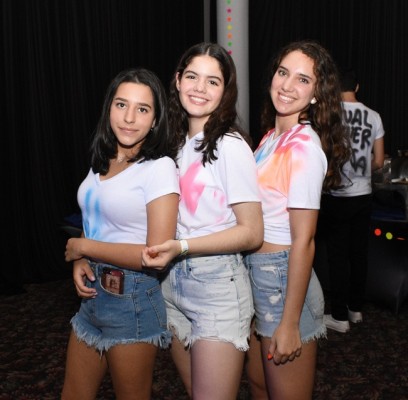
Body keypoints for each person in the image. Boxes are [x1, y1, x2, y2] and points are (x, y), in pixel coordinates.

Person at [141, 42, 264, 400]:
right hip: (171, 283)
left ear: (225, 92)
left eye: (213, 81)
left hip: (217, 288)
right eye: (192, 76)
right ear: (177, 81)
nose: (199, 88)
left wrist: (182, 245)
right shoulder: (172, 143)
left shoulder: (230, 146)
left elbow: (251, 232)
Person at [61, 67, 180, 400]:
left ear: (155, 119)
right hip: (93, 296)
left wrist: (86, 246)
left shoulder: (159, 168)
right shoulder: (104, 158)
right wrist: (82, 257)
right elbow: (96, 214)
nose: (129, 118)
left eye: (142, 109)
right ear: (108, 108)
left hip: (133, 300)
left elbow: (156, 255)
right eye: (121, 104)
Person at [244, 39, 352, 399]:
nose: (288, 86)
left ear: (318, 93)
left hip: (283, 282)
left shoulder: (304, 147)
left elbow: (304, 239)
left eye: (303, 80)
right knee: (259, 385)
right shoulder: (272, 137)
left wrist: (289, 323)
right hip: (260, 278)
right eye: (283, 72)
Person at [321, 68, 385, 333]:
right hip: (364, 194)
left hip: (337, 196)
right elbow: (379, 162)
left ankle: (339, 316)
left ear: (336, 88)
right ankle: (355, 310)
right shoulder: (374, 116)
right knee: (359, 253)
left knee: (337, 256)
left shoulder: (330, 117)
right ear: (357, 87)